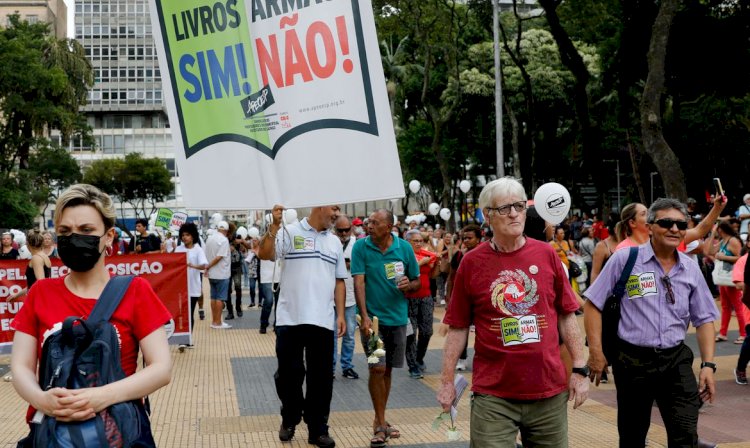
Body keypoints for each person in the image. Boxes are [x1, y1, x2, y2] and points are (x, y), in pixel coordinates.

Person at [10, 184, 171, 437]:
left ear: (108, 237)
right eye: (65, 231)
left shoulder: (135, 291)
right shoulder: (40, 293)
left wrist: (100, 397)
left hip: (119, 433)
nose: (74, 238)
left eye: (86, 230)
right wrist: (43, 400)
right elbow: (20, 367)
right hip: (53, 433)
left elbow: (161, 368)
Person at [437, 177, 588, 447]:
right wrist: (447, 381)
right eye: (505, 208)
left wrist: (579, 369)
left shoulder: (547, 254)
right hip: (494, 395)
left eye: (519, 206)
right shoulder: (472, 263)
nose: (515, 213)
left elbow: (567, 314)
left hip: (548, 392)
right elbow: (458, 327)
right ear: (487, 215)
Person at [584, 198, 718, 448]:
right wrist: (596, 352)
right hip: (632, 362)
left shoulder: (690, 268)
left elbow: (705, 319)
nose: (675, 229)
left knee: (685, 435)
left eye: (681, 224)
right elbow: (592, 303)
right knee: (633, 436)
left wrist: (708, 365)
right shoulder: (625, 259)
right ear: (650, 226)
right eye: (667, 223)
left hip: (676, 361)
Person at [257, 204, 347, 448]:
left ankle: (318, 429)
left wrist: (340, 315)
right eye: (335, 208)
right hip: (290, 318)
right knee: (288, 375)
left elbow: (340, 281)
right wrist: (274, 226)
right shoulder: (290, 232)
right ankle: (290, 417)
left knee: (321, 379)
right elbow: (264, 254)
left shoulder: (335, 243)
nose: (337, 213)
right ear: (320, 205)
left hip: (323, 320)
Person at [351, 209, 420, 448]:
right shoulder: (361, 247)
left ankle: (380, 418)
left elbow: (417, 281)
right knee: (377, 369)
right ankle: (380, 425)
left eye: (375, 223)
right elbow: (358, 282)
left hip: (398, 319)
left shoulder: (404, 248)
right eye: (369, 222)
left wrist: (408, 285)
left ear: (389, 226)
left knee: (388, 370)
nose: (370, 226)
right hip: (373, 322)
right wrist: (365, 317)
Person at [445, 224, 482, 371]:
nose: (466, 240)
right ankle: (462, 358)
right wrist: (448, 298)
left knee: (482, 329)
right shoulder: (459, 255)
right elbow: (451, 277)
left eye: (470, 238)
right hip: (463, 299)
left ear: (478, 239)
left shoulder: (486, 254)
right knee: (462, 328)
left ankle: (482, 356)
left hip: (480, 299)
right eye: (464, 238)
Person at [404, 229, 438, 379]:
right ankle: (412, 366)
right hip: (409, 297)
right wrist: (420, 263)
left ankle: (419, 357)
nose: (419, 243)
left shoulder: (425, 255)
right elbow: (405, 274)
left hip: (426, 297)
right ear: (407, 242)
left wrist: (436, 264)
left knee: (427, 331)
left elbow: (433, 275)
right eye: (415, 241)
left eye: (420, 241)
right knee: (411, 333)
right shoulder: (404, 256)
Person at [706, 221, 745, 343]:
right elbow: (709, 252)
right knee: (725, 306)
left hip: (732, 278)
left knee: (738, 306)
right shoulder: (723, 241)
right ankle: (723, 333)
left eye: (716, 229)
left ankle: (744, 334)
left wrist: (724, 257)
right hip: (723, 279)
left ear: (720, 230)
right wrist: (712, 235)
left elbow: (741, 257)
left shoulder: (733, 241)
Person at [332, 214, 360, 380]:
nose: (343, 233)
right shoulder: (329, 241)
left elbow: (361, 265)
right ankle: (330, 368)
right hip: (330, 299)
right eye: (340, 230)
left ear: (352, 228)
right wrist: (345, 263)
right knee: (332, 335)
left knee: (349, 335)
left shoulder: (357, 244)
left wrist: (345, 263)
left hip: (350, 298)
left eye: (346, 230)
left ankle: (347, 366)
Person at [174, 222, 208, 350]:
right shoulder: (178, 249)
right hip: (179, 288)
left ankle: (187, 339)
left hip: (193, 287)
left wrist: (191, 265)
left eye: (187, 235)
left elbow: (204, 265)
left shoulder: (198, 249)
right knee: (181, 314)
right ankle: (182, 340)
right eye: (182, 235)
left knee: (189, 313)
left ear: (193, 236)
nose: (184, 237)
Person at [7, 230, 52, 302]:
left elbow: (41, 282)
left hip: (37, 300)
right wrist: (16, 295)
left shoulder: (36, 258)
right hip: (39, 299)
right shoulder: (44, 256)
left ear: (27, 244)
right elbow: (32, 284)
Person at [204, 221, 232, 329]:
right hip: (222, 273)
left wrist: (208, 267)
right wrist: (208, 266)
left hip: (212, 274)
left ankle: (214, 321)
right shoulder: (224, 240)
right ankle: (218, 322)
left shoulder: (210, 238)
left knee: (213, 297)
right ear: (225, 230)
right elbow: (219, 257)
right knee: (220, 298)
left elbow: (207, 254)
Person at [226, 234, 245, 319]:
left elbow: (244, 249)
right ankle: (230, 311)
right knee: (227, 291)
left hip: (237, 267)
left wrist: (240, 242)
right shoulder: (224, 241)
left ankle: (238, 307)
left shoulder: (236, 240)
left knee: (238, 288)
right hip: (227, 268)